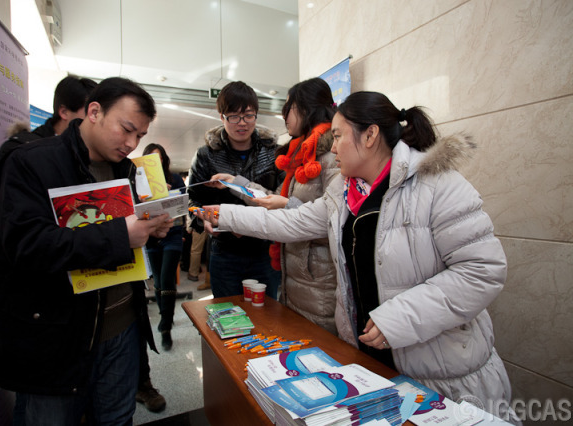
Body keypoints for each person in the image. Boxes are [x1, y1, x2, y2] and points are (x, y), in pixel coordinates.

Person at [195, 91, 517, 422]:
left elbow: (482, 271)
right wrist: (225, 215)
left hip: (442, 374)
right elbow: (289, 222)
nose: (333, 148)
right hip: (373, 365)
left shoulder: (438, 185)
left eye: (337, 136)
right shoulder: (343, 193)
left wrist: (399, 318)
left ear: (370, 135)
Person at [0, 77, 173, 425]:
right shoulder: (31, 161)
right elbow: (28, 246)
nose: (131, 143)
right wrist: (121, 235)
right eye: (126, 129)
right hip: (56, 336)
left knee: (117, 418)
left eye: (140, 135)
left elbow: (129, 240)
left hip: (123, 328)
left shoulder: (128, 171)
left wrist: (150, 231)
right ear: (94, 112)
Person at [209, 78, 340, 333]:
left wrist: (286, 204)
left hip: (317, 278)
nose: (284, 116)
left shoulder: (330, 156)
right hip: (298, 274)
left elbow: (328, 218)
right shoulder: (301, 154)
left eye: (288, 108)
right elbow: (274, 200)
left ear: (305, 109)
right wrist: (237, 183)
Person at [187, 81, 284, 298]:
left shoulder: (273, 153)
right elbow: (191, 200)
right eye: (233, 116)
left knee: (267, 311)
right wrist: (202, 220)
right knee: (227, 310)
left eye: (248, 116)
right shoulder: (206, 155)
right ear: (222, 117)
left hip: (264, 250)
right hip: (224, 251)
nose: (242, 123)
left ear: (256, 115)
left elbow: (284, 200)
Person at [0, 75, 97, 194]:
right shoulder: (23, 152)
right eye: (91, 113)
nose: (96, 119)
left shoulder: (93, 154)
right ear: (64, 112)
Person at [143, 143, 185, 351]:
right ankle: (164, 315)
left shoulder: (175, 178)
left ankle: (165, 326)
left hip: (173, 234)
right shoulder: (139, 184)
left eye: (159, 158)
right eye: (151, 158)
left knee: (167, 278)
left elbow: (182, 206)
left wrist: (169, 196)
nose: (156, 162)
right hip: (151, 237)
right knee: (158, 281)